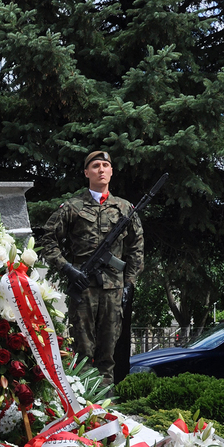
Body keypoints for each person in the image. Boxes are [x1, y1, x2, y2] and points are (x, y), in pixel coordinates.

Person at [38, 151, 144, 386]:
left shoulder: (125, 208)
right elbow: (48, 240)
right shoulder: (73, 207)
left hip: (113, 290)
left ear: (111, 171)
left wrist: (129, 283)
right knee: (82, 353)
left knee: (108, 354)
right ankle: (83, 404)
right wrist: (67, 269)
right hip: (83, 287)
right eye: (96, 166)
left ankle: (107, 408)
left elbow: (136, 248)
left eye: (106, 165)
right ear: (87, 173)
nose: (101, 169)